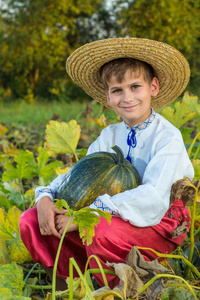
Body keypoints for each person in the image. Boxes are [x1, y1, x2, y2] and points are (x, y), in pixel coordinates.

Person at [19, 37, 194, 290]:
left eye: (135, 87)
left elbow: (154, 197)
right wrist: (46, 197)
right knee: (31, 220)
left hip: (160, 223)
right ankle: (69, 284)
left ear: (153, 87)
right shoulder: (110, 136)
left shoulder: (167, 137)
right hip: (108, 218)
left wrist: (91, 214)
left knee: (100, 230)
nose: (127, 97)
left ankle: (121, 288)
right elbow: (77, 177)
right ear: (107, 96)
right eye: (117, 90)